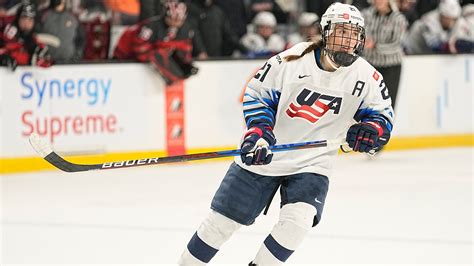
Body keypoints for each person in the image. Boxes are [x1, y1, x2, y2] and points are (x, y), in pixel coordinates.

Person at [178, 2, 394, 265]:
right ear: (325, 33)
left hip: (313, 162)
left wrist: (372, 130)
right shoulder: (290, 62)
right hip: (266, 155)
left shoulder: (367, 77)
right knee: (219, 225)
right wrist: (258, 132)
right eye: (340, 32)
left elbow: (382, 116)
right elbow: (258, 96)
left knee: (298, 222)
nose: (346, 42)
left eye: (353, 35)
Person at [362, 0, 407, 110]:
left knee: (388, 102)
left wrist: (375, 46)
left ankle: (386, 126)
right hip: (371, 65)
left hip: (391, 67)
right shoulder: (366, 15)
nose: (378, 1)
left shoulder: (398, 19)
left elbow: (397, 45)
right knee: (368, 101)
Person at [0, 1, 51, 70]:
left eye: (30, 20)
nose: (26, 23)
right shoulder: (8, 33)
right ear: (18, 19)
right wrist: (3, 57)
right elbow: (7, 50)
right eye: (23, 19)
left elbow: (47, 64)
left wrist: (44, 57)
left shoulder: (35, 41)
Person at [404, 0, 469, 54]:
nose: (451, 22)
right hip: (412, 55)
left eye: (454, 19)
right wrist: (454, 45)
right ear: (442, 15)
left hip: (431, 58)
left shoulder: (459, 21)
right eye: (448, 18)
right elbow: (435, 46)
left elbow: (463, 41)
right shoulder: (428, 21)